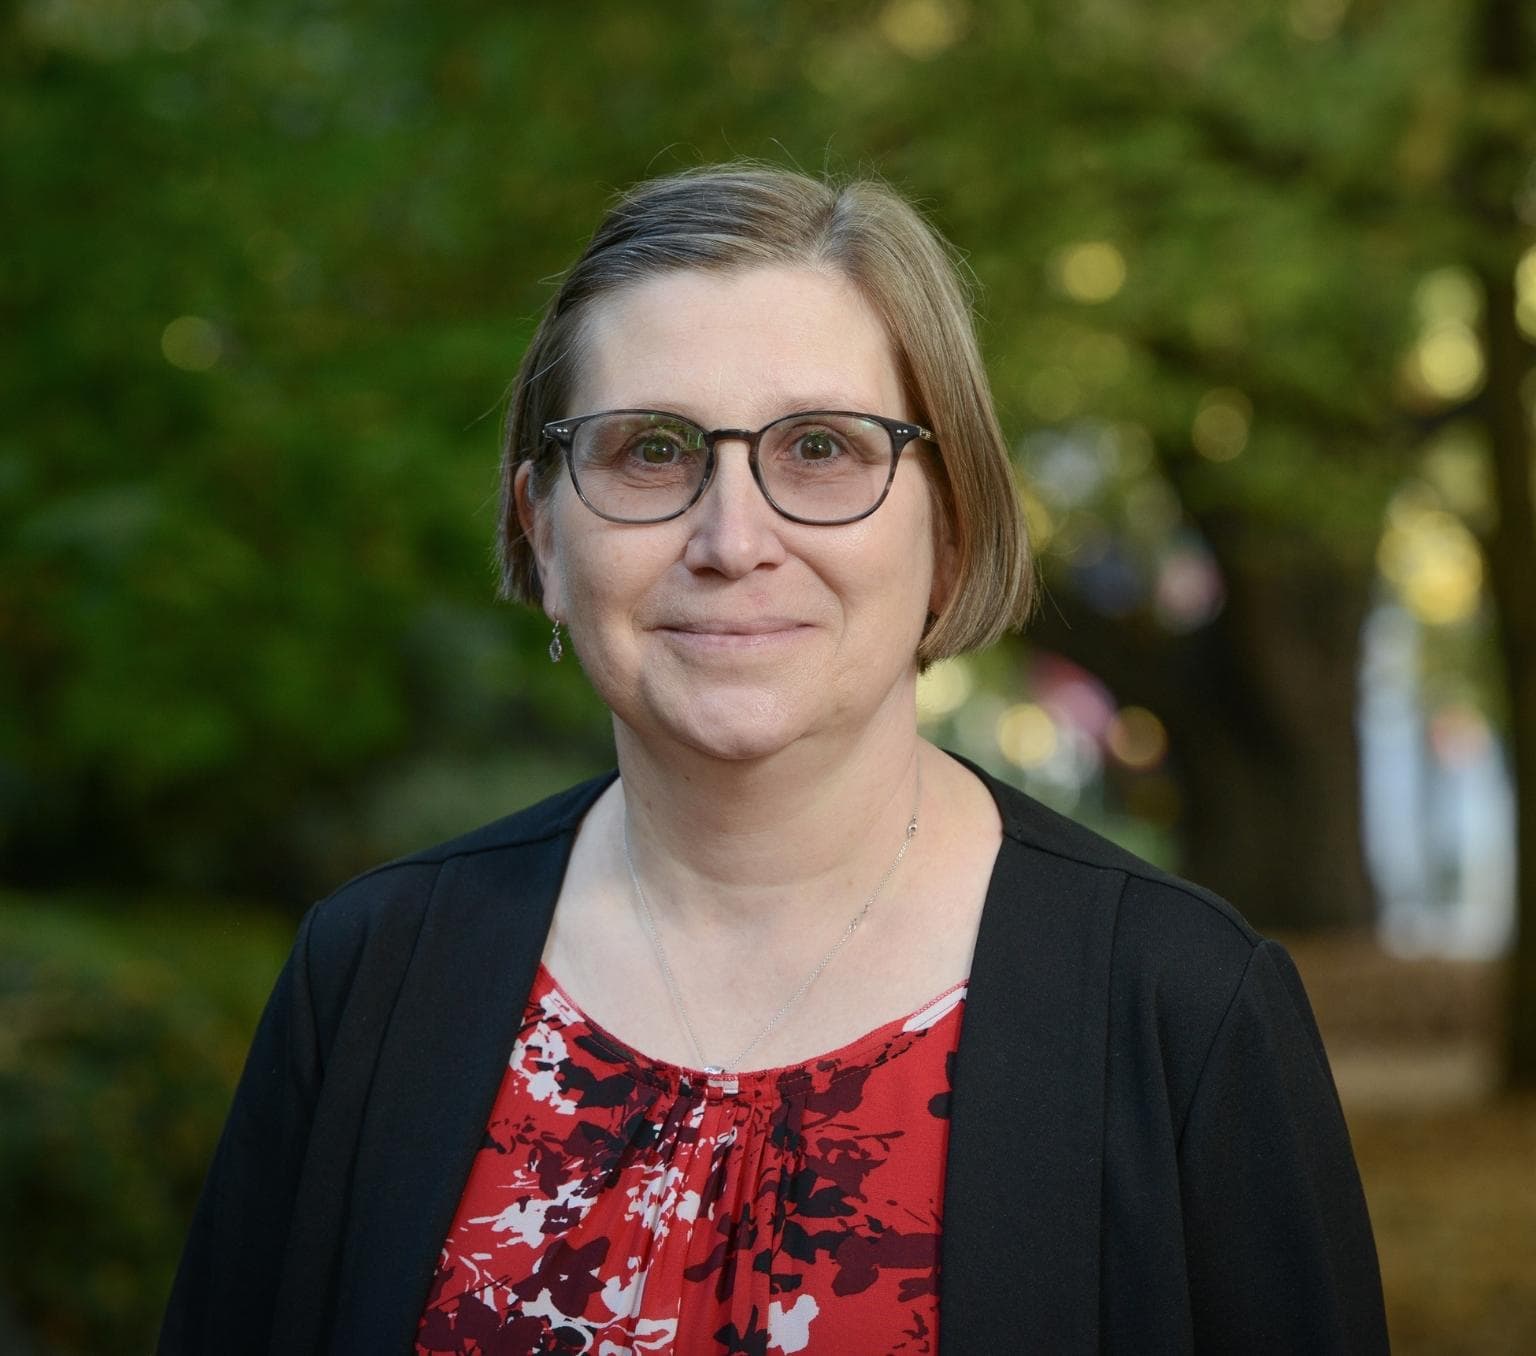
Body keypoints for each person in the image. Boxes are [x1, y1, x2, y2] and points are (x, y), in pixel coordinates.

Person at [159, 164, 1389, 1355]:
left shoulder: (1185, 1011)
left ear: (950, 526)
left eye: (821, 449)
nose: (732, 539)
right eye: (650, 450)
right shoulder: (371, 980)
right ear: (541, 532)